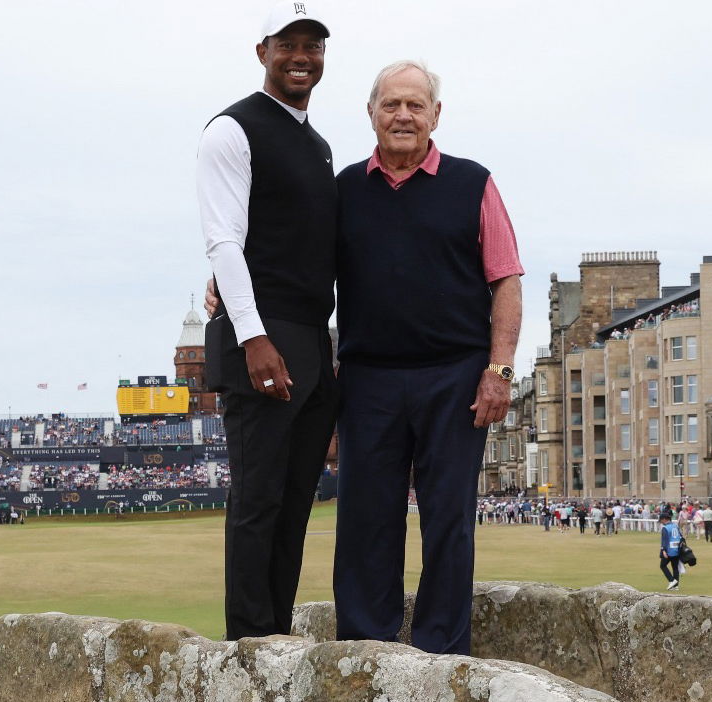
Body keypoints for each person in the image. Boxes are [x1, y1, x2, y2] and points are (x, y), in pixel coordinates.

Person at [330, 60, 524, 655]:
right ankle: (367, 647)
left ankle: (441, 651)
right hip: (367, 380)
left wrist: (500, 369)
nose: (403, 116)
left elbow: (506, 279)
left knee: (447, 522)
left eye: (416, 105)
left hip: (456, 378)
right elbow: (299, 269)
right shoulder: (342, 190)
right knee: (366, 521)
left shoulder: (473, 183)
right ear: (371, 113)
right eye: (392, 105)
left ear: (436, 115)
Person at [197, 2, 340, 641]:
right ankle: (248, 645)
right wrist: (253, 336)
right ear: (263, 52)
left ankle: (276, 635)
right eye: (288, 43)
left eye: (312, 44)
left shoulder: (318, 145)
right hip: (264, 335)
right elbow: (224, 242)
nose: (301, 55)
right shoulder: (231, 130)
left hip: (313, 335)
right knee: (257, 501)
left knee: (292, 507)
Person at [659, 510, 684, 590]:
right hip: (677, 549)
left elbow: (664, 541)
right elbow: (681, 536)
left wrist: (663, 550)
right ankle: (676, 586)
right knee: (675, 567)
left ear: (664, 519)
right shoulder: (675, 526)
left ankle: (672, 580)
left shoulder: (665, 528)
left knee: (662, 565)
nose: (661, 522)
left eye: (661, 520)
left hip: (669, 550)